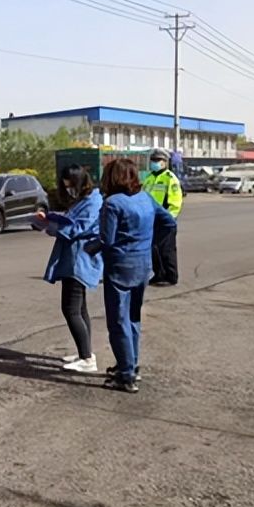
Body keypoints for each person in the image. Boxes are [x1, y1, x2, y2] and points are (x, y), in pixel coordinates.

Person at [93, 157, 176, 393]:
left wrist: (88, 248)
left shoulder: (112, 204)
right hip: (142, 265)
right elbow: (169, 222)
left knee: (118, 321)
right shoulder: (145, 198)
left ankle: (126, 374)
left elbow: (106, 240)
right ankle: (130, 364)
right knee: (133, 318)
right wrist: (150, 243)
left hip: (120, 268)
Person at [35, 165, 103, 372]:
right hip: (74, 259)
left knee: (70, 309)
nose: (69, 190)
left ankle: (87, 358)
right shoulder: (84, 200)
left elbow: (78, 228)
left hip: (79, 260)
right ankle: (85, 352)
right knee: (80, 309)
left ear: (81, 182)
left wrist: (52, 226)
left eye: (71, 186)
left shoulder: (93, 201)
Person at [142, 148, 183, 286]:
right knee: (153, 248)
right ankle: (158, 274)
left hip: (165, 220)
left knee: (166, 249)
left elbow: (176, 201)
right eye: (153, 160)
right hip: (150, 219)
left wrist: (170, 218)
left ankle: (171, 275)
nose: (155, 162)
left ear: (165, 162)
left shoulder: (170, 178)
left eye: (158, 160)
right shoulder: (149, 178)